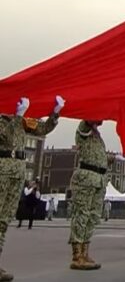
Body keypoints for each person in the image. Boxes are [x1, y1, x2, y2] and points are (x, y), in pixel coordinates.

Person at [0, 96, 61, 281]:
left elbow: (43, 129)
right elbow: (3, 135)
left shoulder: (24, 121)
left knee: (3, 220)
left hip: (18, 171)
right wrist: (17, 116)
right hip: (2, 168)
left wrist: (55, 112)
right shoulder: (3, 119)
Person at [69, 118, 109, 270]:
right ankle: (77, 255)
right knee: (82, 215)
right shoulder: (84, 128)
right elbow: (88, 119)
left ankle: (85, 253)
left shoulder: (98, 136)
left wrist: (112, 158)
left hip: (98, 180)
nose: (103, 120)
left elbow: (98, 157)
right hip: (86, 178)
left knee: (92, 217)